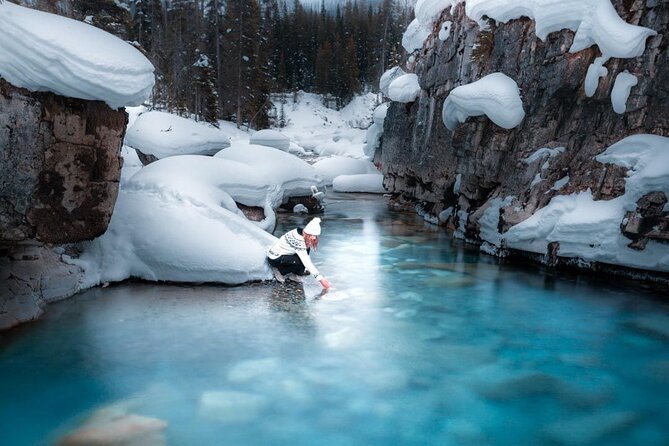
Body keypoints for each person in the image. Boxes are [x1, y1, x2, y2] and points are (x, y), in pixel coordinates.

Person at [267, 217, 331, 289]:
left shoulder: (300, 233)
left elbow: (305, 255)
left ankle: (294, 275)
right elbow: (306, 261)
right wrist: (320, 279)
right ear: (307, 232)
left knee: (306, 250)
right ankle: (279, 271)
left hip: (284, 255)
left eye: (315, 235)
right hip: (275, 258)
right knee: (301, 261)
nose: (313, 238)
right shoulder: (298, 239)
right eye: (311, 235)